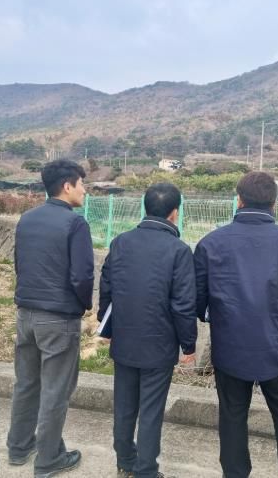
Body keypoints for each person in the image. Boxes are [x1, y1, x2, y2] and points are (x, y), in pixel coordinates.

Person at [194, 171, 278, 478]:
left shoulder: (210, 244)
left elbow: (197, 300)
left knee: (232, 417)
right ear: (274, 203)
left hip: (230, 349)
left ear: (239, 200)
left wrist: (215, 316)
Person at [99, 182, 197, 478]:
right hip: (159, 344)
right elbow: (183, 304)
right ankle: (146, 471)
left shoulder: (121, 242)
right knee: (151, 411)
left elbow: (107, 287)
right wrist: (188, 345)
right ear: (174, 213)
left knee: (124, 406)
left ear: (146, 207)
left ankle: (124, 462)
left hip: (124, 338)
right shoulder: (179, 250)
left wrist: (107, 327)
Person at [7, 159, 94, 478]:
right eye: (82, 184)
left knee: (27, 383)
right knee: (56, 390)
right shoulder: (75, 224)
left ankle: (19, 447)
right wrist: (84, 306)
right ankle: (48, 459)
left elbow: (19, 263)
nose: (85, 191)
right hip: (58, 318)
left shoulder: (27, 219)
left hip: (26, 314)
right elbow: (82, 276)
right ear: (67, 186)